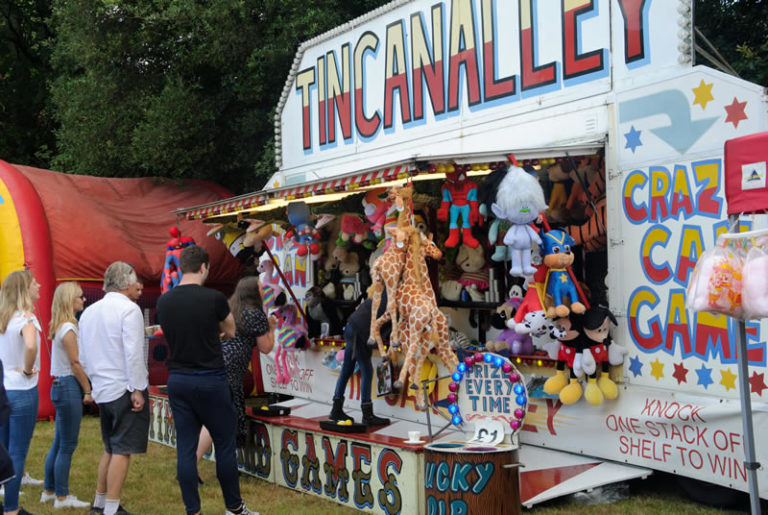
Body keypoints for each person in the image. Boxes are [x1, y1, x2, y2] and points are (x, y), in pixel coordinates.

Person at [156, 245, 255, 515]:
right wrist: (216, 335)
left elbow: (169, 331)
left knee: (186, 448)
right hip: (210, 378)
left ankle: (193, 510)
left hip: (178, 379)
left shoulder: (164, 301)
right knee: (224, 445)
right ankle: (234, 508)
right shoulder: (214, 298)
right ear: (204, 267)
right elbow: (231, 331)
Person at [79, 262, 149, 515]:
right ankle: (110, 508)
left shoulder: (89, 312)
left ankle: (100, 503)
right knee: (122, 449)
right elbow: (134, 353)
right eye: (135, 280)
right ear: (126, 283)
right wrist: (138, 389)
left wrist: (93, 383)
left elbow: (83, 356)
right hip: (123, 386)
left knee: (110, 447)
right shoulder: (129, 310)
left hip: (103, 386)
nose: (138, 285)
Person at [196, 276, 277, 466]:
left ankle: (202, 463)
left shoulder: (230, 309)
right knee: (223, 419)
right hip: (232, 370)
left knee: (215, 417)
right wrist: (271, 328)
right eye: (261, 288)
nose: (264, 291)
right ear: (254, 293)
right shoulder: (255, 314)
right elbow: (265, 347)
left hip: (215, 363)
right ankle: (208, 465)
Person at [40, 282, 93, 509]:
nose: (84, 300)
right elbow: (75, 363)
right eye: (80, 297)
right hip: (68, 386)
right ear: (70, 300)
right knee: (67, 444)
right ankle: (61, 496)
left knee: (59, 442)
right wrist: (88, 390)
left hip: (60, 386)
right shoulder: (69, 329)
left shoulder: (61, 326)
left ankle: (49, 490)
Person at [0, 269, 42, 515]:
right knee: (17, 450)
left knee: (4, 448)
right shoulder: (26, 318)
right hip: (22, 389)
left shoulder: (4, 319)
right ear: (24, 289)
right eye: (34, 283)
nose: (38, 286)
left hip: (3, 388)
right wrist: (28, 369)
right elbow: (30, 344)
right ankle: (12, 509)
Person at [329, 290, 390, 426]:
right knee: (367, 371)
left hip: (353, 326)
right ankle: (367, 414)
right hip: (360, 331)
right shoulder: (396, 299)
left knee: (347, 370)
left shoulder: (386, 291)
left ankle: (336, 409)